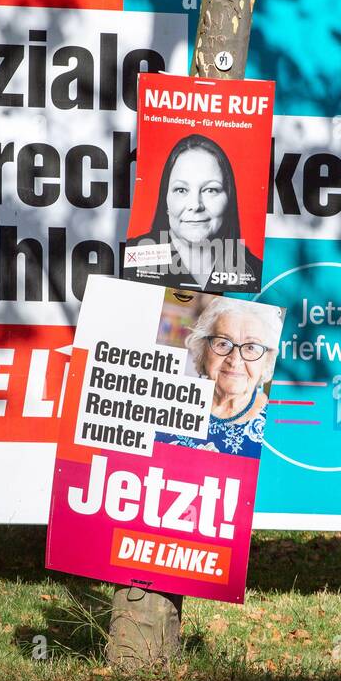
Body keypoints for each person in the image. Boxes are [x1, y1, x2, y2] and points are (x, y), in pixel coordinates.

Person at [123, 134, 264, 294]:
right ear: (166, 201)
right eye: (181, 190)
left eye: (210, 190)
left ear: (229, 199)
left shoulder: (254, 271)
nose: (195, 205)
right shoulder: (134, 257)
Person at [159, 296, 283, 460]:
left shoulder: (279, 431)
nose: (235, 360)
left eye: (251, 347)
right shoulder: (168, 404)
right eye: (223, 343)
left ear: (267, 360)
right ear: (203, 351)